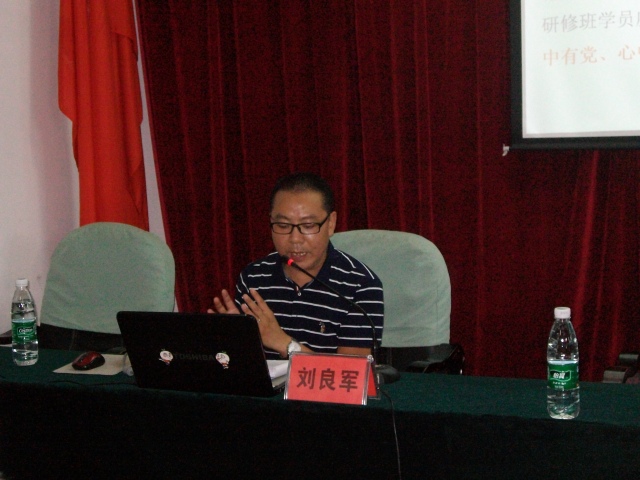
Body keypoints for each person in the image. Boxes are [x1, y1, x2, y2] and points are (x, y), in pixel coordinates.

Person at [212, 172, 384, 360]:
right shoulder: (253, 278)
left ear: (331, 223)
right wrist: (235, 340)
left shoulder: (361, 285)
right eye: (283, 225)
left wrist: (284, 344)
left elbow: (351, 372)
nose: (295, 239)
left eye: (308, 225)